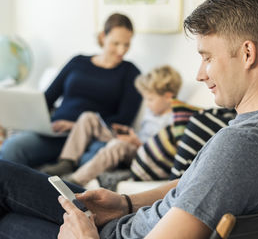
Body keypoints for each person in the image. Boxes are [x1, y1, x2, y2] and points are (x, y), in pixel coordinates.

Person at [0, 0, 258, 239]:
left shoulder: (240, 145)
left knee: (6, 218)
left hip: (109, 236)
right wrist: (126, 202)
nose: (199, 74)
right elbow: (201, 184)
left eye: (207, 57)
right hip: (123, 220)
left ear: (248, 54)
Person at [0, 13, 142, 168]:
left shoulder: (131, 73)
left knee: (90, 161)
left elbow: (123, 119)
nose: (121, 50)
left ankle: (61, 174)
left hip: (92, 139)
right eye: (116, 43)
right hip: (56, 134)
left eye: (126, 44)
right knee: (12, 148)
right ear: (103, 36)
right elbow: (47, 99)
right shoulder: (77, 62)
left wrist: (77, 126)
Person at [40, 65, 182, 186]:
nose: (147, 104)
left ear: (168, 96)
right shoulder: (154, 112)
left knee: (117, 145)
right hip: (135, 144)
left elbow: (160, 152)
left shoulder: (174, 119)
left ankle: (74, 180)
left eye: (150, 99)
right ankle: (67, 161)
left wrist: (137, 143)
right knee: (88, 117)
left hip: (145, 154)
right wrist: (130, 134)